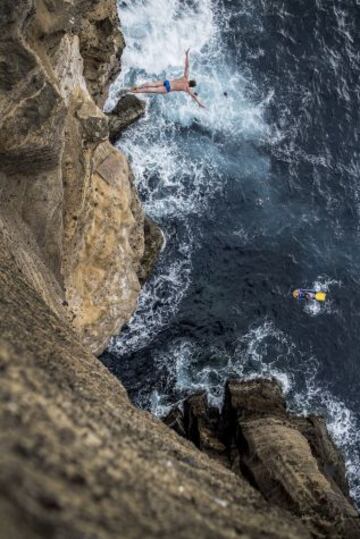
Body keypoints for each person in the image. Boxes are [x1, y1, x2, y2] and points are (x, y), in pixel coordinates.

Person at [130, 49, 206, 108]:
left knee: (151, 84)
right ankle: (133, 91)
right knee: (149, 90)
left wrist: (186, 55)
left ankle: (138, 87)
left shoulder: (185, 77)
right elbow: (193, 96)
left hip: (167, 82)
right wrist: (199, 104)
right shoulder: (187, 88)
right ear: (191, 86)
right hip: (167, 88)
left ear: (190, 80)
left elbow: (187, 66)